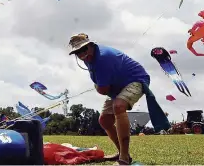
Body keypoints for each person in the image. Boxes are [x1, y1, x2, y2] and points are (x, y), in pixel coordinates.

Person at [68, 33, 169, 165]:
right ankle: (121, 152)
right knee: (104, 120)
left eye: (83, 49)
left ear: (91, 45)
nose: (81, 54)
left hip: (135, 80)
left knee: (119, 106)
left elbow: (103, 90)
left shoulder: (102, 59)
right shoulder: (88, 58)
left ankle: (124, 157)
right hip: (117, 86)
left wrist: (97, 85)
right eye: (77, 52)